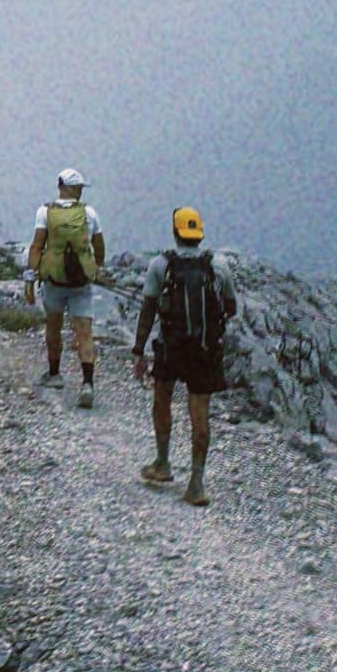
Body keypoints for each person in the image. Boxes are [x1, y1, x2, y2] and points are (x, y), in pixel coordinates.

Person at [133, 206, 237, 502]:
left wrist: (139, 352)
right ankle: (196, 483)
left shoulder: (160, 265)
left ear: (176, 232)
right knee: (199, 413)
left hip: (171, 348)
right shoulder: (219, 264)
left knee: (162, 400)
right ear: (199, 233)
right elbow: (231, 308)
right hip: (205, 350)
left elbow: (148, 310)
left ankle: (163, 463)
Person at [25, 166, 106, 403]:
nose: (80, 191)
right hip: (81, 282)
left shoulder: (44, 212)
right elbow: (99, 247)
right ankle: (87, 384)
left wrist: (29, 279)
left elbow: (37, 246)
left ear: (60, 187)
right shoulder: (90, 214)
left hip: (54, 280)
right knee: (84, 332)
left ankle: (54, 374)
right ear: (73, 188)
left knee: (54, 327)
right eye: (79, 187)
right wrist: (94, 268)